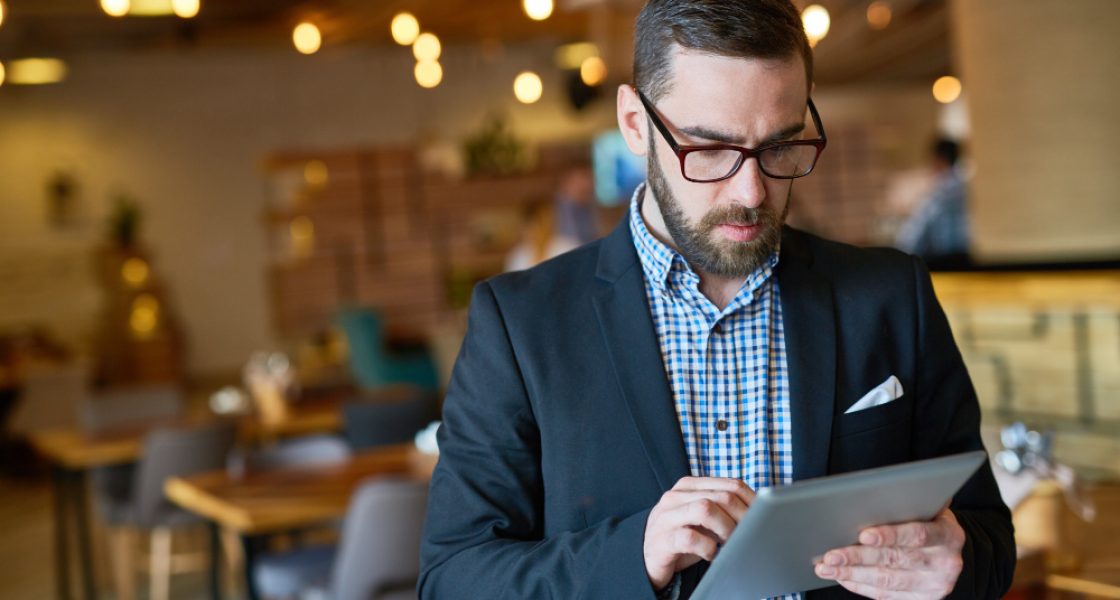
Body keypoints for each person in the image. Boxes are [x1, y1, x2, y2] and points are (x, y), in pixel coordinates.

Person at [420, 1, 1015, 598]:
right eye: (709, 149)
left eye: (780, 147)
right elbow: (452, 580)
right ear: (634, 122)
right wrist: (637, 555)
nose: (751, 191)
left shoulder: (891, 297)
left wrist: (956, 563)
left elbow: (986, 539)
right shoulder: (520, 325)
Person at [894, 139, 971, 268]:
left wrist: (897, 258)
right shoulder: (968, 189)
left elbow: (912, 236)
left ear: (937, 159)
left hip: (944, 264)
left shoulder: (938, 195)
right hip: (969, 260)